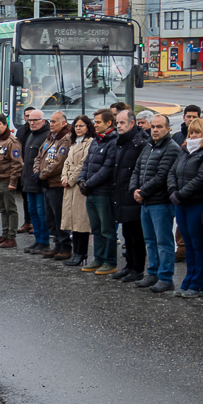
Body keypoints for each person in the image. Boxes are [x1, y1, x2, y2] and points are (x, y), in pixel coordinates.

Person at [130, 113, 180, 292]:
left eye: (159, 127)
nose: (155, 130)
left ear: (168, 129)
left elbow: (162, 175)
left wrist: (142, 192)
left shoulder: (172, 148)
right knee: (150, 240)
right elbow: (137, 169)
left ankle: (166, 277)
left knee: (163, 242)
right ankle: (152, 273)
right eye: (153, 127)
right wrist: (134, 189)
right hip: (145, 203)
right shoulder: (148, 146)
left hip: (160, 202)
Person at [169, 118, 203, 296]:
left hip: (197, 203)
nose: (193, 136)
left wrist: (181, 193)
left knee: (197, 245)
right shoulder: (184, 150)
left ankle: (198, 284)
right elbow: (173, 172)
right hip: (182, 204)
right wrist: (173, 189)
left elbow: (202, 177)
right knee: (187, 244)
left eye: (197, 132)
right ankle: (189, 279)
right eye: (191, 133)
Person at [111, 107, 148, 281]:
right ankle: (129, 265)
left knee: (136, 236)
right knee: (126, 234)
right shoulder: (121, 141)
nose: (118, 126)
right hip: (121, 194)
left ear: (132, 123)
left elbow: (141, 170)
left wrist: (136, 190)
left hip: (133, 195)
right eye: (117, 122)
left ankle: (137, 268)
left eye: (122, 122)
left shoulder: (140, 143)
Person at [79, 109, 119, 273]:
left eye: (98, 122)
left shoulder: (113, 142)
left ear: (109, 123)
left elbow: (107, 169)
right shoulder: (96, 141)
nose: (94, 125)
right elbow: (87, 163)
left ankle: (110, 261)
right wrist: (81, 180)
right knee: (96, 228)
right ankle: (98, 258)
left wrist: (88, 184)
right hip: (91, 191)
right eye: (94, 122)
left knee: (107, 229)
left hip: (103, 192)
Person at [0, 114, 23, 249]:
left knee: (10, 209)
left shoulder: (11, 142)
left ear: (5, 125)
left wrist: (13, 182)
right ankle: (5, 234)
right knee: (2, 209)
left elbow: (17, 164)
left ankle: (11, 238)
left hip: (6, 181)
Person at [37, 111, 72, 258]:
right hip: (47, 184)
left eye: (54, 122)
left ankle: (65, 247)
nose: (51, 124)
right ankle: (57, 244)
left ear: (63, 123)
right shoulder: (50, 138)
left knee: (60, 218)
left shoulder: (65, 139)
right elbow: (39, 156)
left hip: (57, 184)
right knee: (50, 218)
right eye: (50, 121)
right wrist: (37, 171)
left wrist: (41, 175)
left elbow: (59, 162)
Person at [59, 115, 93, 266]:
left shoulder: (89, 142)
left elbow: (83, 164)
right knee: (72, 222)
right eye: (76, 126)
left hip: (78, 185)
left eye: (81, 126)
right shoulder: (73, 143)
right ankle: (75, 253)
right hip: (69, 186)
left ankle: (81, 253)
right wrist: (64, 177)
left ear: (87, 127)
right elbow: (66, 162)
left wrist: (71, 179)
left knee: (81, 222)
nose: (78, 128)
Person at [18, 107, 50, 251]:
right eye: (30, 120)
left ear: (43, 121)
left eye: (35, 120)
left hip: (40, 181)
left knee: (41, 212)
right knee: (32, 211)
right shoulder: (31, 135)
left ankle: (44, 240)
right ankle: (37, 239)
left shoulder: (47, 136)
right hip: (28, 181)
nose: (32, 123)